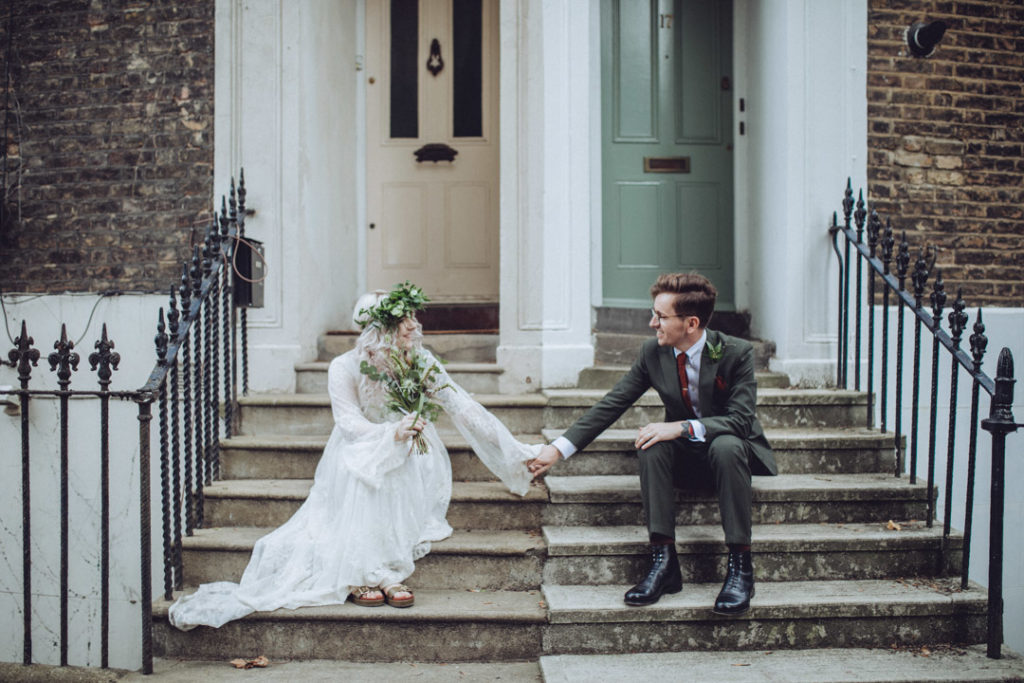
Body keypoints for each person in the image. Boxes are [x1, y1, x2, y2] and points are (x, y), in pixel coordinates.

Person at [169, 283, 538, 630]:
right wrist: (388, 434)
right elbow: (347, 423)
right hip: (361, 445)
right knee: (365, 470)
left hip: (414, 451)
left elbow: (464, 407)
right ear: (379, 327)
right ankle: (375, 573)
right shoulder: (343, 366)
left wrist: (516, 452)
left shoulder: (420, 361)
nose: (413, 325)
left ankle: (374, 572)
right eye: (402, 319)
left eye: (412, 316)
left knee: (390, 466)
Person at [528, 272, 776, 615]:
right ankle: (664, 562)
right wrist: (558, 449)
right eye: (654, 313)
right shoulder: (653, 353)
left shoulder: (736, 353)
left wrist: (679, 427)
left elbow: (740, 420)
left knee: (727, 444)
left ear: (690, 323)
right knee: (651, 441)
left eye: (660, 316)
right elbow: (613, 403)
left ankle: (740, 569)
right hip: (686, 458)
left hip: (729, 455)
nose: (651, 323)